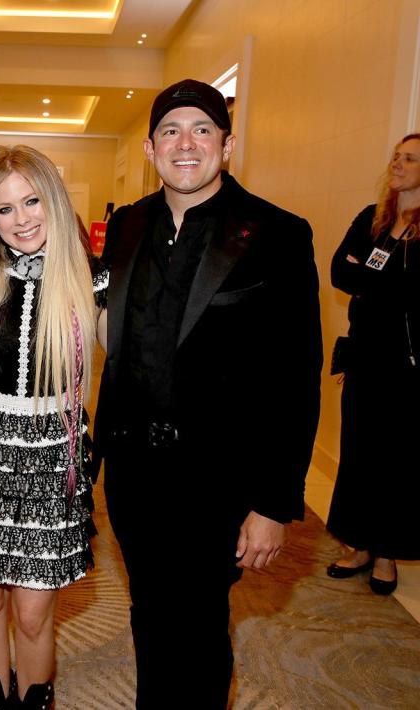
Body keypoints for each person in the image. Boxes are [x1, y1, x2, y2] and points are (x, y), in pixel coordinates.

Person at [92, 79, 322, 707]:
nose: (185, 143)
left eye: (201, 129)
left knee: (198, 627)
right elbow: (120, 351)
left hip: (218, 478)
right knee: (149, 613)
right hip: (135, 474)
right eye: (170, 130)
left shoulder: (277, 233)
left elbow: (296, 375)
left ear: (228, 142)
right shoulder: (129, 225)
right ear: (149, 146)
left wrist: (274, 501)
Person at [0, 145, 106, 709]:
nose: (22, 218)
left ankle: (36, 700)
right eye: (4, 209)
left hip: (52, 455)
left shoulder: (90, 278)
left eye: (32, 200)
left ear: (53, 200)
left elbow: (138, 361)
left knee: (33, 610)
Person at [325, 133, 420, 595]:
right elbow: (339, 272)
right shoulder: (373, 219)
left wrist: (369, 276)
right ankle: (359, 544)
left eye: (410, 159)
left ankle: (386, 553)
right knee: (359, 451)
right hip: (365, 355)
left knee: (396, 458)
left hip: (408, 365)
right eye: (397, 156)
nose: (398, 164)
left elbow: (403, 292)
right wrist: (374, 277)